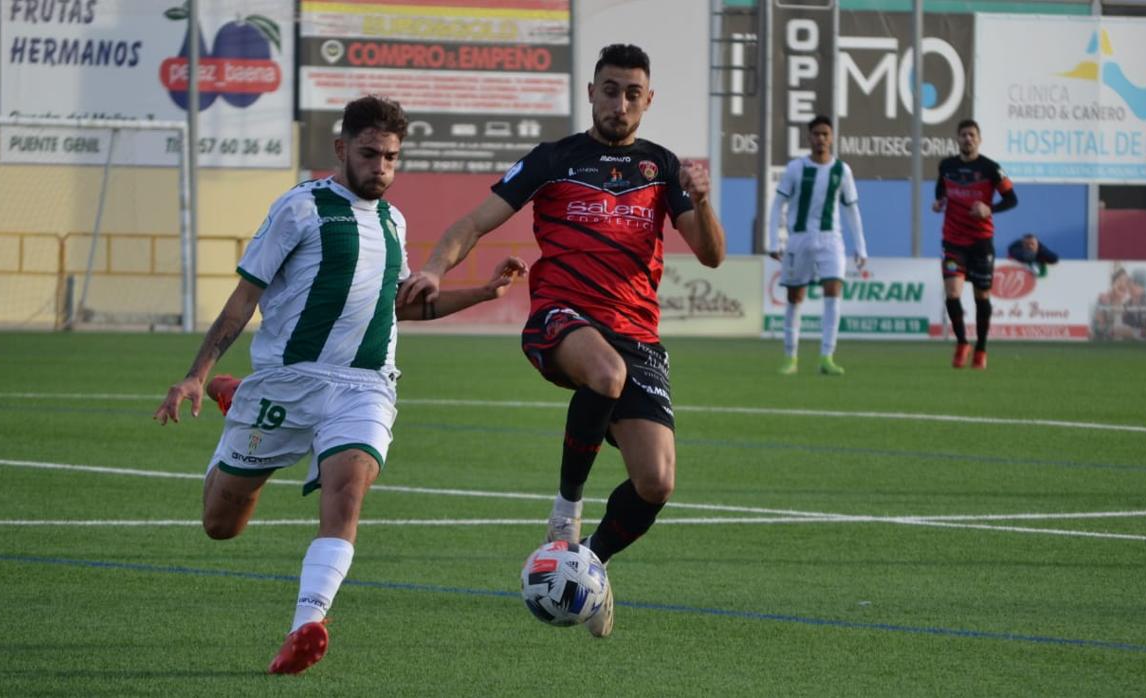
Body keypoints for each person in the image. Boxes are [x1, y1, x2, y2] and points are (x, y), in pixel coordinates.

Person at [152, 95, 526, 675]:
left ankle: (306, 623)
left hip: (363, 387)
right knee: (220, 525)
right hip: (285, 384)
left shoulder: (393, 222)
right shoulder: (299, 209)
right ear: (341, 149)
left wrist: (482, 293)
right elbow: (244, 299)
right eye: (371, 153)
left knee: (347, 492)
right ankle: (234, 395)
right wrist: (196, 374)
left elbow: (403, 308)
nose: (382, 167)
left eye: (392, 157)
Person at [400, 44, 725, 639]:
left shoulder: (663, 167)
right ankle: (565, 515)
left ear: (647, 101)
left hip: (639, 336)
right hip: (563, 316)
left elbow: (710, 254)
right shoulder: (554, 159)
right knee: (604, 373)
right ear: (591, 92)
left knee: (656, 482)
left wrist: (701, 201)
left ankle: (589, 566)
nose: (620, 103)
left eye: (632, 93)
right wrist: (436, 270)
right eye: (609, 89)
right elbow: (473, 222)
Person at [765, 114, 867, 376]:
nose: (821, 138)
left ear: (832, 138)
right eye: (816, 134)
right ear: (809, 138)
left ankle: (827, 356)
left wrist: (861, 247)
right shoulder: (795, 168)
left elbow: (852, 209)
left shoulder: (842, 170)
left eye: (825, 134)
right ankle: (791, 357)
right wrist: (774, 240)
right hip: (799, 239)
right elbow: (778, 204)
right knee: (795, 296)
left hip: (831, 239)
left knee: (833, 291)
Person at [932, 119, 1017, 370]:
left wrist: (988, 208)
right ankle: (961, 343)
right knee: (952, 293)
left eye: (972, 135)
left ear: (979, 139)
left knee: (981, 296)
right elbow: (941, 190)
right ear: (957, 139)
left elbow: (1012, 199)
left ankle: (981, 348)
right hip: (953, 241)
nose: (967, 139)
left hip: (981, 243)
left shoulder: (991, 168)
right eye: (963, 135)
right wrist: (939, 202)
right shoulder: (947, 166)